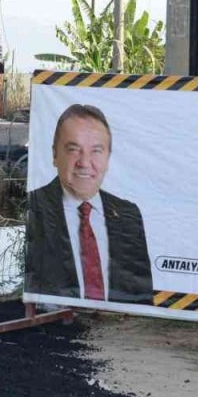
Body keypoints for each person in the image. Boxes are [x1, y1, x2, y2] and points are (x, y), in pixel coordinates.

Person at [26, 103, 153, 303]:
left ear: (108, 157)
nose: (85, 162)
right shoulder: (32, 207)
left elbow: (141, 292)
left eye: (96, 151)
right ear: (54, 154)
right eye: (73, 149)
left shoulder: (129, 214)